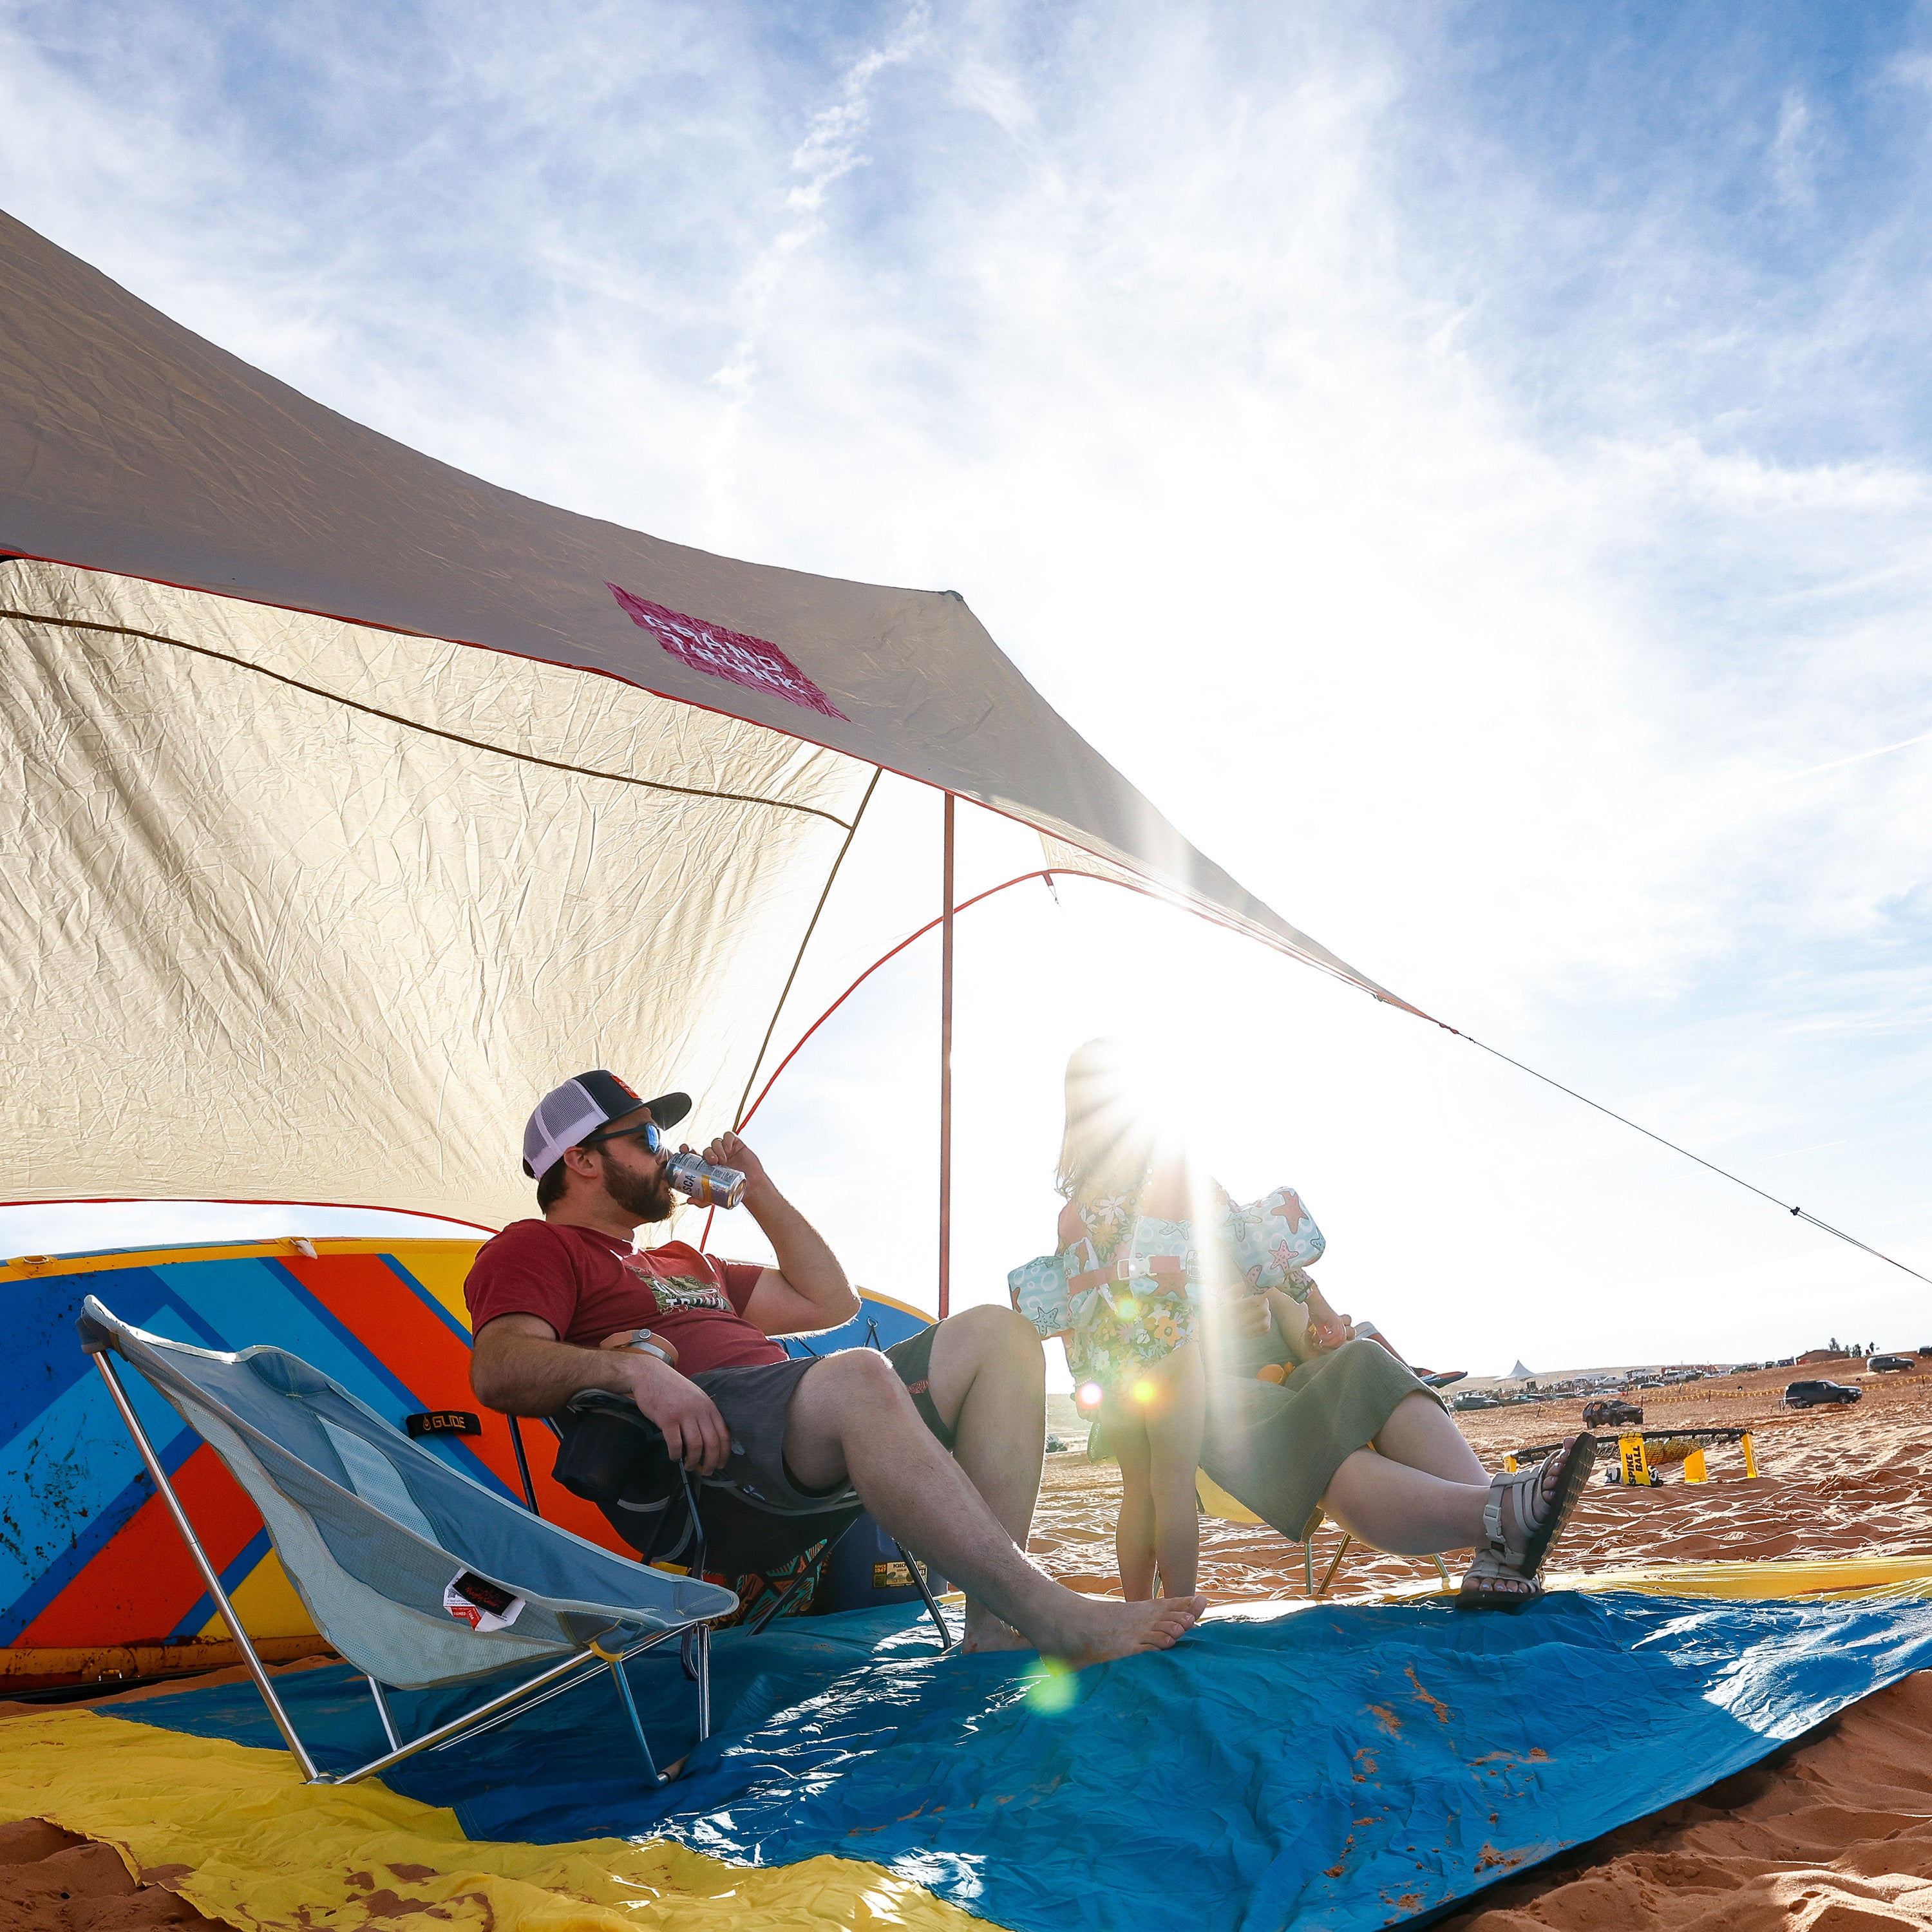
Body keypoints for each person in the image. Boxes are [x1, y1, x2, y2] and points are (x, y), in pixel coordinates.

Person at [464, 1069, 1206, 1664]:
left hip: (793, 1427)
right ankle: (1049, 1613)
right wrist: (635, 1373)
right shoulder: (535, 1247)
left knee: (1000, 1334)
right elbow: (498, 1367)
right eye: (648, 1137)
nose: (666, 1154)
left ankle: (991, 1626)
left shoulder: (687, 1259)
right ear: (582, 1159)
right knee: (856, 1375)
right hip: (702, 1468)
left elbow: (831, 1300)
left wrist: (758, 1191)